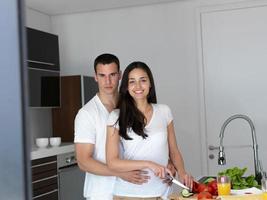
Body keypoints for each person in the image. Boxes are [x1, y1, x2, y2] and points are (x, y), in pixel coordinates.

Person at [106, 61, 193, 200]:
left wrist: (182, 173)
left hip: (163, 192)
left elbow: (174, 151)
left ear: (150, 83)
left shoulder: (164, 111)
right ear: (127, 87)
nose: (138, 86)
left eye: (143, 80)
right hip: (129, 194)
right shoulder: (116, 116)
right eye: (132, 81)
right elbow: (112, 162)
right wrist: (148, 164)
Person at [74, 54, 150, 200]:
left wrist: (168, 163)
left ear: (120, 75)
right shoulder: (87, 113)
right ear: (95, 77)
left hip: (132, 191)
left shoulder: (132, 106)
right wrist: (119, 172)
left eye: (112, 75)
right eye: (102, 75)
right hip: (102, 193)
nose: (107, 81)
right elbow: (83, 161)